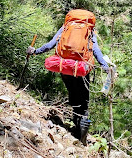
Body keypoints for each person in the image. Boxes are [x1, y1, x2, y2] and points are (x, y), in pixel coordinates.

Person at [27, 11, 112, 144]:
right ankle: (81, 132)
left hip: (64, 67)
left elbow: (50, 45)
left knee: (72, 93)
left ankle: (76, 125)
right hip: (81, 69)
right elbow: (96, 50)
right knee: (83, 100)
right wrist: (105, 66)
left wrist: (35, 51)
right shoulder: (88, 30)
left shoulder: (66, 28)